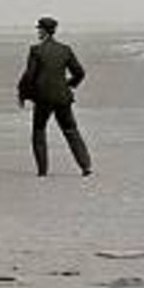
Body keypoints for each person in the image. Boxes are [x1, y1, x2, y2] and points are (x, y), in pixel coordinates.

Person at [16, 16, 93, 177]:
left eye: (39, 29)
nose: (38, 31)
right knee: (71, 130)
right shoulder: (65, 49)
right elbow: (80, 73)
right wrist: (69, 84)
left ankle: (42, 171)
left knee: (39, 131)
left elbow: (29, 76)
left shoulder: (36, 50)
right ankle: (85, 166)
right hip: (63, 97)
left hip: (43, 98)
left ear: (44, 31)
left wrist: (23, 94)